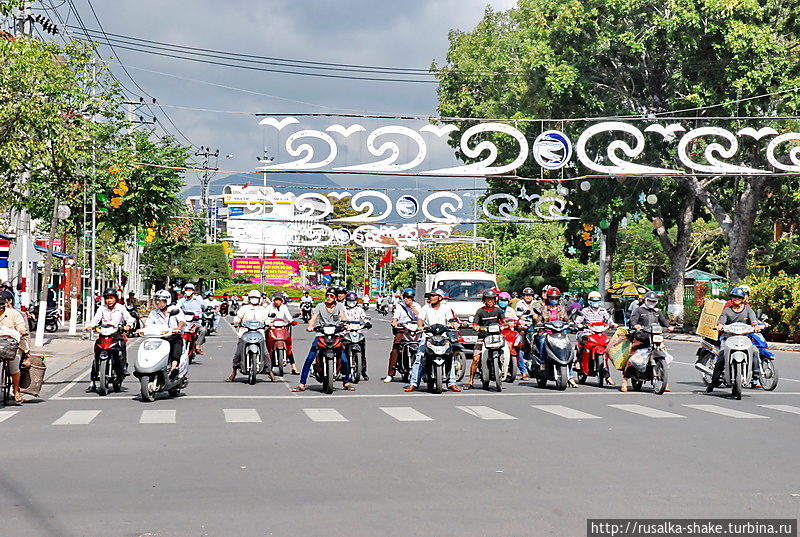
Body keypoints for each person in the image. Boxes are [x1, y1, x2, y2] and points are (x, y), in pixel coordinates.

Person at [293, 288, 352, 392]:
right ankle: (302, 383)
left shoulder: (339, 306)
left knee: (344, 359)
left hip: (336, 334)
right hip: (321, 334)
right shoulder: (320, 306)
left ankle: (346, 382)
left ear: (335, 298)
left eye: (331, 296)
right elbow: (313, 318)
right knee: (309, 359)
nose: (328, 298)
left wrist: (346, 324)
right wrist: (311, 326)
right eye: (327, 295)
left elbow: (343, 316)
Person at [405, 289, 461, 392]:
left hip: (443, 337)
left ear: (440, 298)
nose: (431, 298)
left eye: (433, 296)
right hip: (428, 336)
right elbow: (420, 319)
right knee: (420, 358)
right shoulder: (425, 308)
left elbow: (451, 320)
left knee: (450, 357)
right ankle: (414, 383)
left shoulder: (446, 308)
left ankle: (452, 383)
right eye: (430, 296)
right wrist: (420, 326)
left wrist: (454, 326)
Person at [707, 287, 761, 392]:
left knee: (755, 352)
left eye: (739, 297)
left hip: (745, 338)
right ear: (731, 298)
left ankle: (755, 378)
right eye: (734, 297)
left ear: (742, 299)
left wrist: (756, 326)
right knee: (721, 356)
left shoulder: (748, 310)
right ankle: (714, 381)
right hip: (729, 338)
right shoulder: (727, 310)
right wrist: (720, 325)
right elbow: (721, 321)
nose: (736, 299)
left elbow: (754, 321)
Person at [85, 288, 134, 393]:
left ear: (115, 299)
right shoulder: (101, 308)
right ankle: (92, 382)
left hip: (116, 334)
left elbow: (129, 318)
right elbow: (96, 319)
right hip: (104, 334)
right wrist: (90, 325)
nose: (109, 301)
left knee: (121, 345)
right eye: (107, 298)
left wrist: (128, 325)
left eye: (111, 298)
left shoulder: (121, 308)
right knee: (97, 352)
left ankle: (123, 367)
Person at [622, 291, 673, 392]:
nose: (651, 302)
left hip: (655, 338)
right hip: (641, 338)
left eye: (653, 301)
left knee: (665, 356)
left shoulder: (657, 312)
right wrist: (635, 325)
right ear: (645, 300)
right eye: (649, 300)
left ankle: (664, 381)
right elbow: (633, 320)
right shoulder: (638, 310)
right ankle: (625, 380)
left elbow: (664, 322)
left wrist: (669, 327)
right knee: (632, 358)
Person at [226, 290, 277, 383]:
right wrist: (236, 322)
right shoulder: (244, 308)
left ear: (259, 299)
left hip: (259, 333)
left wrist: (269, 323)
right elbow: (238, 317)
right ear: (249, 299)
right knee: (238, 354)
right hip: (244, 333)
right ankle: (233, 372)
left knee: (266, 354)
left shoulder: (262, 309)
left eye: (256, 298)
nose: (254, 300)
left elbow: (266, 319)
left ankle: (270, 373)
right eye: (252, 298)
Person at [464, 289, 510, 389]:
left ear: (495, 300)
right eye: (488, 299)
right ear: (484, 300)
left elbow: (504, 321)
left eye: (492, 299)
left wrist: (507, 324)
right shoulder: (480, 311)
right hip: (483, 338)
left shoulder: (498, 310)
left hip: (497, 337)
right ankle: (471, 381)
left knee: (507, 350)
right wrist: (476, 327)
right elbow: (475, 324)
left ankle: (506, 371)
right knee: (476, 358)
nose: (490, 301)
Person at [574, 291, 617, 385]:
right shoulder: (585, 311)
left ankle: (607, 375)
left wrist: (613, 324)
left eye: (597, 300)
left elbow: (608, 320)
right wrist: (580, 325)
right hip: (587, 333)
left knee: (607, 349)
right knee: (582, 341)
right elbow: (579, 321)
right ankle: (579, 361)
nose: (596, 302)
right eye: (593, 300)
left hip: (600, 334)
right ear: (589, 301)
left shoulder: (603, 311)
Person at [536, 287, 576, 387]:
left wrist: (571, 323)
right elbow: (539, 320)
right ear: (548, 298)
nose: (553, 299)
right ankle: (543, 362)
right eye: (551, 297)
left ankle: (570, 375)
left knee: (569, 348)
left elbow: (566, 319)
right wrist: (539, 323)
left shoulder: (562, 308)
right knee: (542, 342)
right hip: (547, 333)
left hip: (560, 333)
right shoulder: (543, 309)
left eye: (556, 297)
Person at [144, 289, 186, 380]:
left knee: (175, 349)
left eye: (161, 300)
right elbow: (148, 324)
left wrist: (178, 328)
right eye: (157, 300)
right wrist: (142, 330)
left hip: (173, 337)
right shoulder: (154, 313)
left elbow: (182, 321)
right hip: (160, 338)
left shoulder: (175, 310)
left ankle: (173, 369)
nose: (158, 303)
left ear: (167, 301)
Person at [384, 288, 420, 383]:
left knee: (422, 347)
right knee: (396, 348)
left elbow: (420, 316)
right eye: (406, 297)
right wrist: (394, 323)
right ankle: (390, 374)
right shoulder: (399, 306)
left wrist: (412, 307)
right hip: (403, 329)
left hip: (415, 329)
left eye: (410, 298)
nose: (408, 299)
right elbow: (396, 317)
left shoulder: (417, 305)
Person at [0, 297, 29, 403]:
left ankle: (16, 390)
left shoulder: (14, 314)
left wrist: (22, 331)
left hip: (13, 345)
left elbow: (21, 326)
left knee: (14, 363)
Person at [265, 291, 299, 375]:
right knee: (266, 344)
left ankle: (293, 366)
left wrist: (292, 321)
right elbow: (264, 317)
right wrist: (267, 323)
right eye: (276, 299)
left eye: (279, 300)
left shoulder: (284, 307)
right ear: (273, 300)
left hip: (282, 328)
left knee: (288, 345)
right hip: (271, 328)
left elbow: (288, 316)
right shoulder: (269, 307)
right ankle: (268, 364)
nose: (278, 301)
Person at [498, 291, 526, 380]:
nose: (503, 301)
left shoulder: (511, 310)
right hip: (498, 333)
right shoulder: (495, 309)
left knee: (517, 350)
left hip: (510, 333)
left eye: (505, 300)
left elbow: (516, 320)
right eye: (501, 300)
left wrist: (519, 322)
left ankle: (523, 371)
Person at [343, 291, 371, 380]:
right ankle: (341, 369)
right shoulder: (342, 309)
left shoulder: (359, 309)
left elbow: (364, 318)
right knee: (341, 349)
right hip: (345, 332)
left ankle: (363, 370)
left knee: (362, 350)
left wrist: (367, 323)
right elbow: (338, 318)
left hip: (357, 332)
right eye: (349, 301)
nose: (351, 303)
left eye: (353, 301)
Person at [176, 283, 207, 355]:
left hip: (196, 322)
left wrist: (200, 314)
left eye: (190, 290)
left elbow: (204, 306)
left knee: (203, 330)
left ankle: (198, 347)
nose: (188, 291)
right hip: (185, 322)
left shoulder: (198, 299)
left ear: (193, 291)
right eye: (187, 290)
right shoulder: (182, 300)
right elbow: (177, 308)